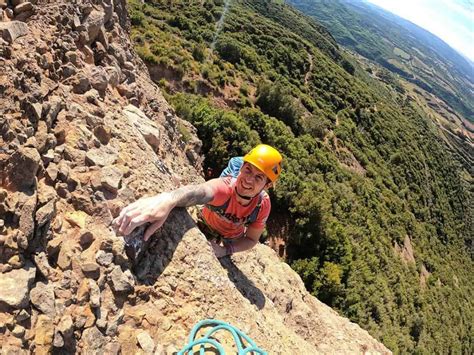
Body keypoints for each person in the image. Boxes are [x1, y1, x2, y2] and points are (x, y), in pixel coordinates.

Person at [112, 144, 283, 258]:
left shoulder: (262, 206)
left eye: (259, 177)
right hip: (205, 222)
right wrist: (167, 199)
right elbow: (202, 191)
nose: (248, 180)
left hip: (230, 237)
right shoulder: (225, 189)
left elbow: (251, 239)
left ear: (266, 186)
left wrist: (226, 250)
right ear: (241, 168)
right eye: (247, 170)